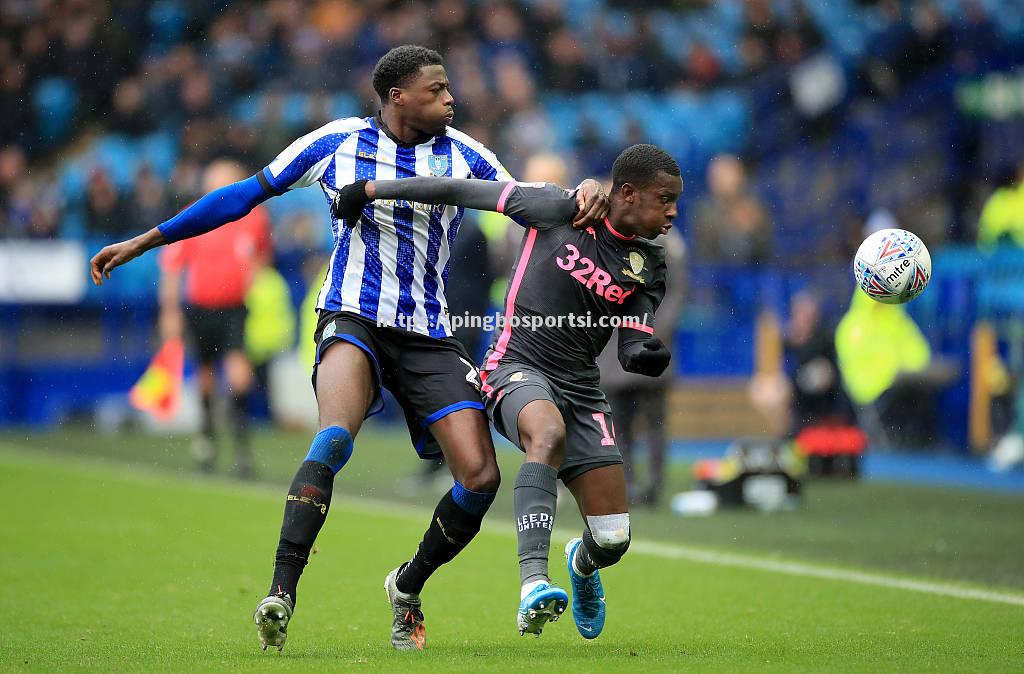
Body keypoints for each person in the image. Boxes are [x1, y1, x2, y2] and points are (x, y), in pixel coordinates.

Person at [89, 44, 608, 653]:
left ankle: (407, 587)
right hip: (352, 317)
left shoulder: (467, 155)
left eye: (448, 89)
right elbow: (242, 196)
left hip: (427, 334)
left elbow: (526, 202)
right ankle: (281, 593)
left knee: (480, 475)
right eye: (437, 89)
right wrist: (147, 240)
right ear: (398, 98)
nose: (451, 98)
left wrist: (584, 193)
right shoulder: (336, 142)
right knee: (334, 436)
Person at [332, 143, 681, 640]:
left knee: (613, 538)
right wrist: (371, 189)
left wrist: (644, 354)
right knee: (547, 433)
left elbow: (632, 338)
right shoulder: (558, 207)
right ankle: (533, 585)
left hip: (582, 387)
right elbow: (458, 190)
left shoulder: (649, 262)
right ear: (628, 193)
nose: (672, 213)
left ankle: (580, 566)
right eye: (665, 199)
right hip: (515, 365)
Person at [158, 158, 271, 478]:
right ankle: (207, 434)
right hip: (199, 307)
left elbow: (262, 256)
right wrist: (169, 311)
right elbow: (172, 265)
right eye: (214, 180)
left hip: (234, 308)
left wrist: (252, 277)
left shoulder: (254, 217)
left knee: (238, 375)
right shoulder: (196, 214)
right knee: (206, 375)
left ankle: (242, 450)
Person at [596, 224, 685, 507]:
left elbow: (675, 290)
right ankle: (628, 484)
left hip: (649, 348)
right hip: (613, 352)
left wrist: (652, 329)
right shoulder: (602, 238)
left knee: (654, 422)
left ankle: (654, 485)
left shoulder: (665, 242)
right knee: (619, 424)